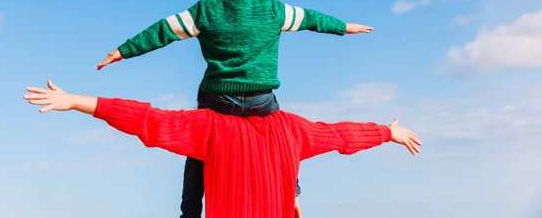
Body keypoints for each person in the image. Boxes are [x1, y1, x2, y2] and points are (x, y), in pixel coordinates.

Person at [96, 0, 373, 218]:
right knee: (283, 134)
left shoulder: (205, 10)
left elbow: (162, 32)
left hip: (219, 103)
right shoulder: (272, 9)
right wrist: (343, 27)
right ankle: (292, 192)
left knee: (196, 141)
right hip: (262, 103)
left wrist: (123, 51)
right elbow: (311, 19)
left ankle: (189, 213)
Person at [24, 81, 422, 218]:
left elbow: (149, 121)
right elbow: (340, 135)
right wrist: (387, 133)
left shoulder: (208, 127)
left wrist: (77, 101)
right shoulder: (292, 129)